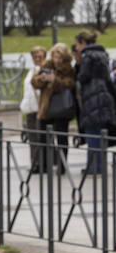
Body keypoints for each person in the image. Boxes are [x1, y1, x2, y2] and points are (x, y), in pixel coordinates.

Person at [73, 31, 116, 175]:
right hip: (104, 98)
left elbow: (83, 77)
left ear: (83, 43)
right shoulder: (103, 55)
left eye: (77, 44)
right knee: (100, 136)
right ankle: (99, 166)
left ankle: (94, 167)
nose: (77, 48)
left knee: (92, 135)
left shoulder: (87, 56)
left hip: (92, 98)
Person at [35, 43, 78, 173]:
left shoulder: (69, 69)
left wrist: (55, 80)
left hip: (61, 109)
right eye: (55, 57)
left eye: (59, 57)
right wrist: (42, 78)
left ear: (64, 58)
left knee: (61, 138)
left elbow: (70, 84)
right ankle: (43, 165)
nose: (57, 60)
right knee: (43, 138)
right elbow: (34, 81)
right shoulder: (47, 66)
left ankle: (62, 165)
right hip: (45, 108)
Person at [20, 45, 48, 173]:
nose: (37, 59)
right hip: (30, 109)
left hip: (40, 109)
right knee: (32, 138)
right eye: (35, 56)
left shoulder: (44, 70)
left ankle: (41, 164)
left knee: (39, 138)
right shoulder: (31, 70)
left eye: (40, 56)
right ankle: (35, 163)